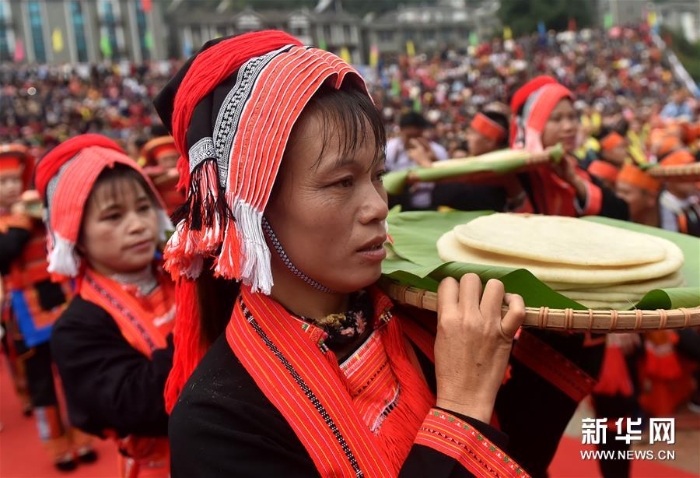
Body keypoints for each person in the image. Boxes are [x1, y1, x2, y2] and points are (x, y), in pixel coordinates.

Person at [154, 30, 528, 477]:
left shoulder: (423, 317)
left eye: (377, 175)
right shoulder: (216, 421)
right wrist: (462, 407)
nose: (377, 207)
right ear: (252, 204)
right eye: (341, 182)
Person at [34, 134, 176, 478]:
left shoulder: (188, 273)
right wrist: (206, 322)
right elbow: (139, 406)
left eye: (143, 208)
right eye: (113, 216)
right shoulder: (78, 326)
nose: (137, 224)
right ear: (75, 233)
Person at [0, 142, 96, 471]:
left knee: (73, 369)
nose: (10, 187)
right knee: (42, 383)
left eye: (13, 180)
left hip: (62, 298)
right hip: (25, 310)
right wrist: (19, 223)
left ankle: (84, 437)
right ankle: (58, 448)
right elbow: (5, 253)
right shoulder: (13, 221)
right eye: (2, 182)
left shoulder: (43, 207)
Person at [385, 111, 449, 210]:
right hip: (398, 205)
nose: (413, 141)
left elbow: (447, 180)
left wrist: (432, 160)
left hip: (430, 206)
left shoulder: (438, 151)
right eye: (409, 136)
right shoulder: (389, 149)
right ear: (401, 131)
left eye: (416, 136)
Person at [140, 134, 186, 215]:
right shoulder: (150, 173)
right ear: (158, 161)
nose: (170, 162)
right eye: (165, 159)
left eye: (173, 158)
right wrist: (167, 175)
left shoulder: (185, 171)